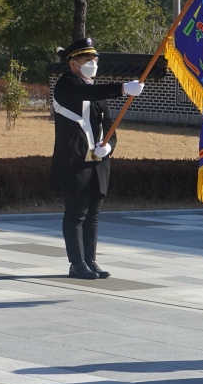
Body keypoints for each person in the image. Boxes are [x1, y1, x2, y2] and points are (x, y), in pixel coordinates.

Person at [49, 37, 144, 280]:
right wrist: (122, 88)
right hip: (75, 162)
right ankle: (76, 263)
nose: (93, 62)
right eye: (87, 59)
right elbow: (86, 93)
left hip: (98, 162)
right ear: (73, 64)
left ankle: (91, 260)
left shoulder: (95, 87)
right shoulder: (67, 85)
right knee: (76, 214)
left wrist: (108, 147)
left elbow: (109, 124)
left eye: (94, 59)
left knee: (93, 215)